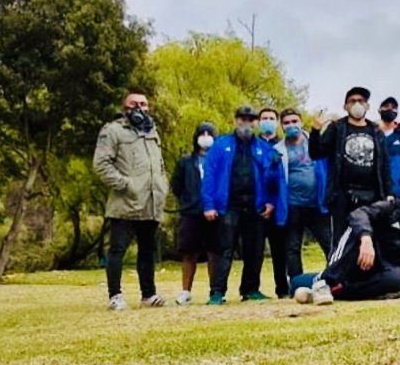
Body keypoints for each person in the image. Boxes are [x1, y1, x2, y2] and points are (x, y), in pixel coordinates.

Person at [291, 172, 400, 303]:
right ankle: (325, 280)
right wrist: (366, 239)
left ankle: (328, 291)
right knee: (357, 230)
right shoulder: (389, 207)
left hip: (399, 273)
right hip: (369, 262)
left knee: (396, 281)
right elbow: (359, 214)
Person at [93, 92, 170, 310]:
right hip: (125, 204)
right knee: (117, 250)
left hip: (151, 202)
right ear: (124, 108)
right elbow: (101, 164)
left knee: (148, 251)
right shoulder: (112, 131)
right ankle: (115, 296)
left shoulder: (152, 132)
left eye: (143, 104)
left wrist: (162, 186)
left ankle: (149, 294)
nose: (139, 108)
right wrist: (126, 184)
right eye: (133, 104)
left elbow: (159, 164)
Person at [201, 106, 281, 304]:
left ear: (255, 123)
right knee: (225, 250)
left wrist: (270, 201)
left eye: (250, 119)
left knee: (255, 250)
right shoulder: (221, 145)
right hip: (228, 206)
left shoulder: (263, 148)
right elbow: (209, 175)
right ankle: (217, 292)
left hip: (256, 206)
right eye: (242, 119)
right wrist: (208, 204)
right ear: (236, 120)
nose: (246, 123)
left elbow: (271, 179)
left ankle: (250, 289)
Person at [310, 87, 393, 241]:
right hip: (342, 196)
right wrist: (315, 131)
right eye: (352, 101)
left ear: (367, 106)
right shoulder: (337, 128)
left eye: (361, 101)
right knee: (341, 241)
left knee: (370, 239)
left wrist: (388, 193)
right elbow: (316, 153)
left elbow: (384, 165)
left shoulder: (376, 131)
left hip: (372, 196)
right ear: (345, 106)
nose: (357, 104)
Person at [276, 109, 333, 283]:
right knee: (292, 247)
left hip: (317, 203)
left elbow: (329, 168)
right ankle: (296, 282)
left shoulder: (315, 143)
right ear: (282, 126)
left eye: (294, 121)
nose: (291, 125)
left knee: (329, 243)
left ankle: (335, 278)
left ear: (301, 122)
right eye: (287, 123)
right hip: (293, 205)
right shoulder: (278, 150)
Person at [171, 122, 218, 306]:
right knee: (189, 253)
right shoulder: (185, 161)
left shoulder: (219, 160)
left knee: (213, 252)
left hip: (214, 212)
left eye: (209, 133)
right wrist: (188, 200)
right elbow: (176, 185)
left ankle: (215, 290)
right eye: (202, 133)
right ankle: (186, 291)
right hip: (191, 212)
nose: (205, 136)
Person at [256, 107, 290, 298]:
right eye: (264, 118)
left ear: (277, 122)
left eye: (271, 118)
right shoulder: (254, 145)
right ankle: (251, 288)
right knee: (256, 251)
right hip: (258, 206)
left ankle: (283, 289)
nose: (267, 121)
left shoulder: (283, 146)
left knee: (281, 251)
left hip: (280, 206)